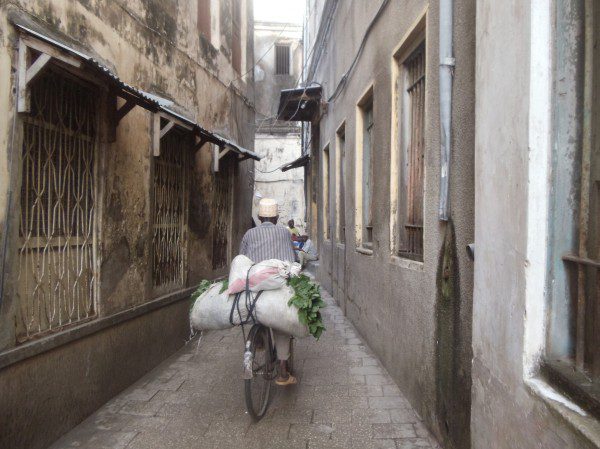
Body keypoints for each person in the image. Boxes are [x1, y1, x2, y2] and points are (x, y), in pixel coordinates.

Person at [239, 198, 297, 386]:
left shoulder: (249, 233)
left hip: (254, 288)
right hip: (277, 286)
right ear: (277, 217)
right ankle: (282, 372)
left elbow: (242, 259)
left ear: (259, 216)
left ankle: (258, 338)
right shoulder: (284, 232)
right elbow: (291, 260)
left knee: (254, 308)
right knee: (282, 327)